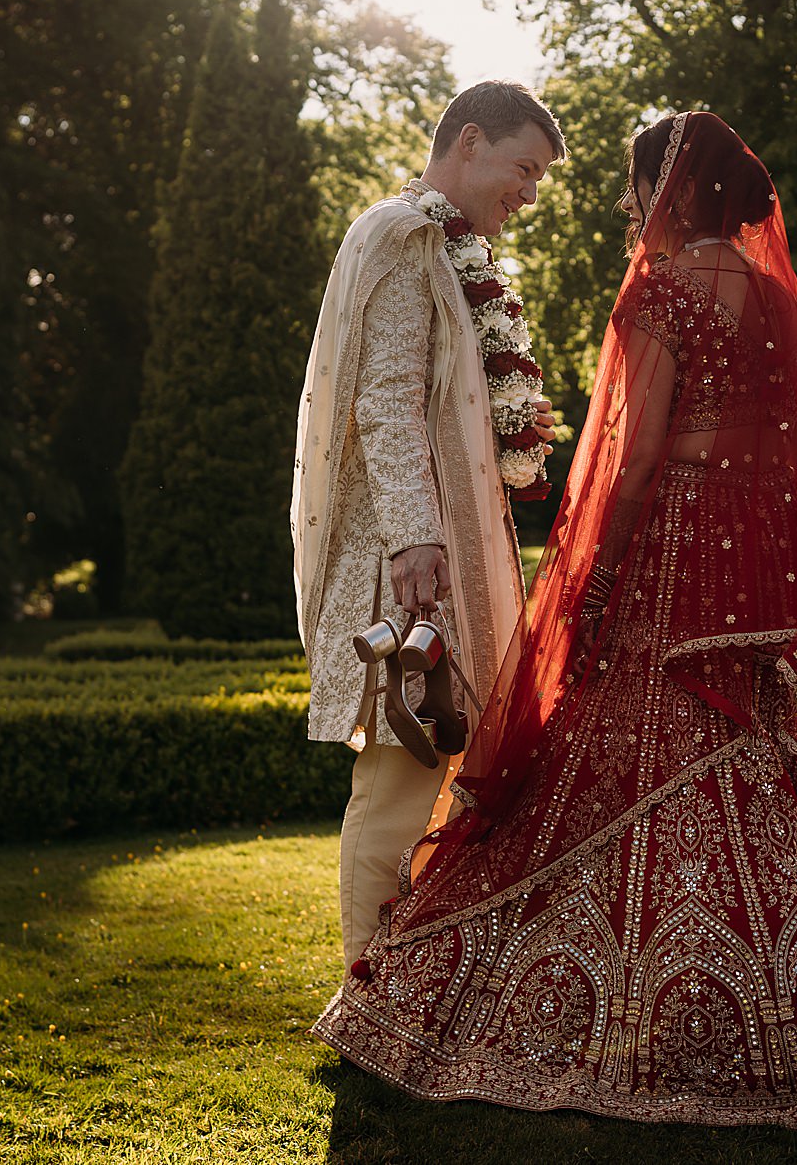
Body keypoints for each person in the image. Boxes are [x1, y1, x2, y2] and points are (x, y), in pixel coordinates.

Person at [314, 111, 797, 1128]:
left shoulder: (660, 293)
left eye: (633, 188)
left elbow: (634, 455)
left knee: (629, 751)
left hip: (675, 549)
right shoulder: (789, 307)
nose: (627, 209)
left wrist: (595, 573)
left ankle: (589, 995)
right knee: (768, 752)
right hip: (765, 564)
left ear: (668, 194)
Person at [292, 80, 564, 971]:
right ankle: (367, 983)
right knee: (401, 771)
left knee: (435, 764)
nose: (526, 196)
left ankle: (419, 975)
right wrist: (416, 539)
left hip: (437, 554)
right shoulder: (408, 239)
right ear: (471, 141)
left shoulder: (446, 250)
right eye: (522, 171)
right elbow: (385, 400)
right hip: (405, 565)